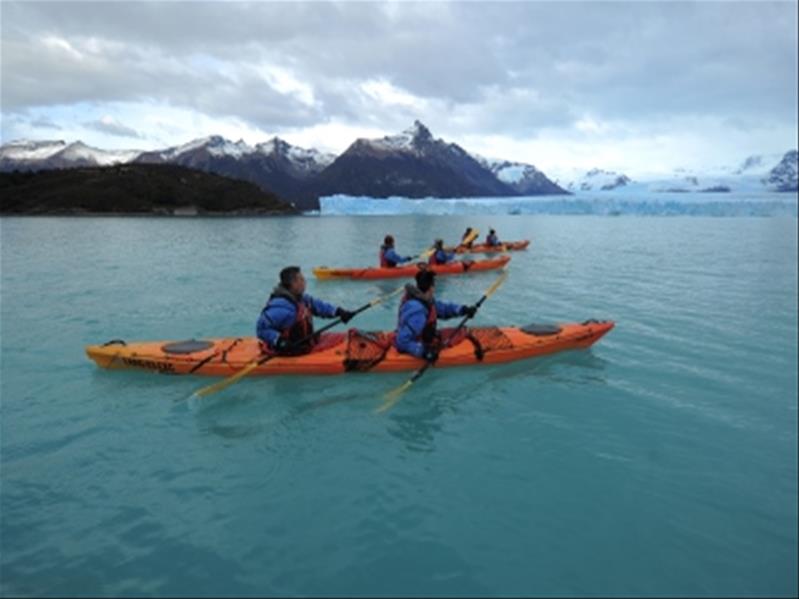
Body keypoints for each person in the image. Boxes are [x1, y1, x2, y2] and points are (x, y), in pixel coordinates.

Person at [256, 266, 355, 354]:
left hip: (306, 344)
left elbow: (319, 306)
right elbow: (261, 328)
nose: (305, 282)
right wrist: (280, 341)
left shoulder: (301, 298)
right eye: (301, 279)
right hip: (289, 350)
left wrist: (339, 312)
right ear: (293, 284)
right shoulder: (281, 308)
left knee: (347, 338)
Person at [394, 270, 478, 362]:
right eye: (434, 285)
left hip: (424, 338)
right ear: (431, 288)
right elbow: (402, 342)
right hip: (418, 344)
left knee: (460, 331)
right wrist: (424, 352)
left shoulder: (424, 300)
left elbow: (444, 309)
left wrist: (463, 310)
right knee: (462, 333)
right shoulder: (418, 312)